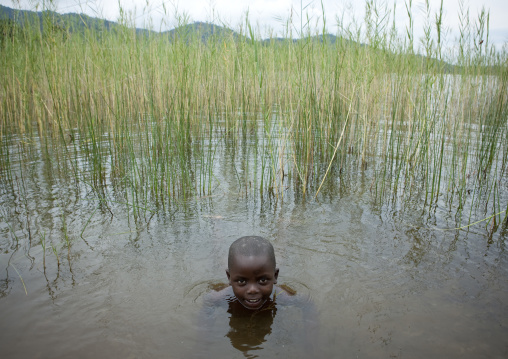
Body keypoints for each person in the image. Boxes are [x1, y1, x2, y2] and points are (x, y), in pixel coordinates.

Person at [197, 236, 319, 358]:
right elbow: (208, 304)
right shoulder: (219, 296)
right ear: (229, 278)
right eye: (241, 281)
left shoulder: (283, 296)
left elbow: (307, 304)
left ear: (275, 276)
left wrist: (310, 340)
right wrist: (204, 347)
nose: (252, 290)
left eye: (263, 280)